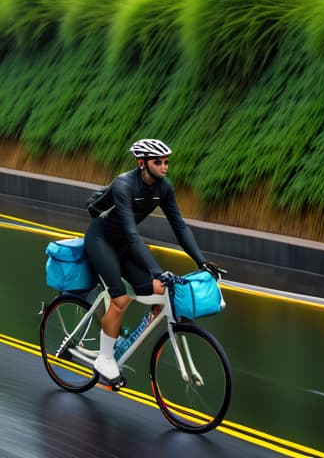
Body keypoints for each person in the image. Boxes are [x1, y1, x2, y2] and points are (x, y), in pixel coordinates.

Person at [83, 139, 222, 384]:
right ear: (142, 163)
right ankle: (104, 359)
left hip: (125, 245)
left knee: (161, 292)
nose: (164, 167)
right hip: (102, 241)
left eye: (166, 162)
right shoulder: (124, 185)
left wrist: (202, 262)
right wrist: (157, 270)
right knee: (120, 300)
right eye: (158, 162)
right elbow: (131, 233)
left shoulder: (163, 188)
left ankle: (124, 340)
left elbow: (179, 226)